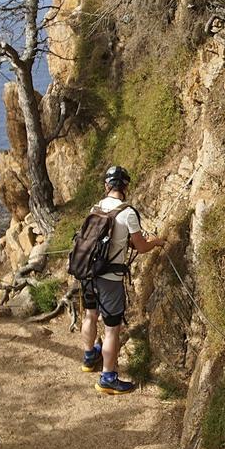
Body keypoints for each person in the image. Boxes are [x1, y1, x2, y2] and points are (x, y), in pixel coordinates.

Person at [78, 164, 163, 394]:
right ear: (125, 186)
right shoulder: (127, 213)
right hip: (109, 279)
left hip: (87, 273)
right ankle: (108, 377)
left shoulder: (96, 207)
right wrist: (156, 241)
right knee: (111, 330)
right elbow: (141, 246)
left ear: (107, 185)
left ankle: (88, 357)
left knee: (90, 315)